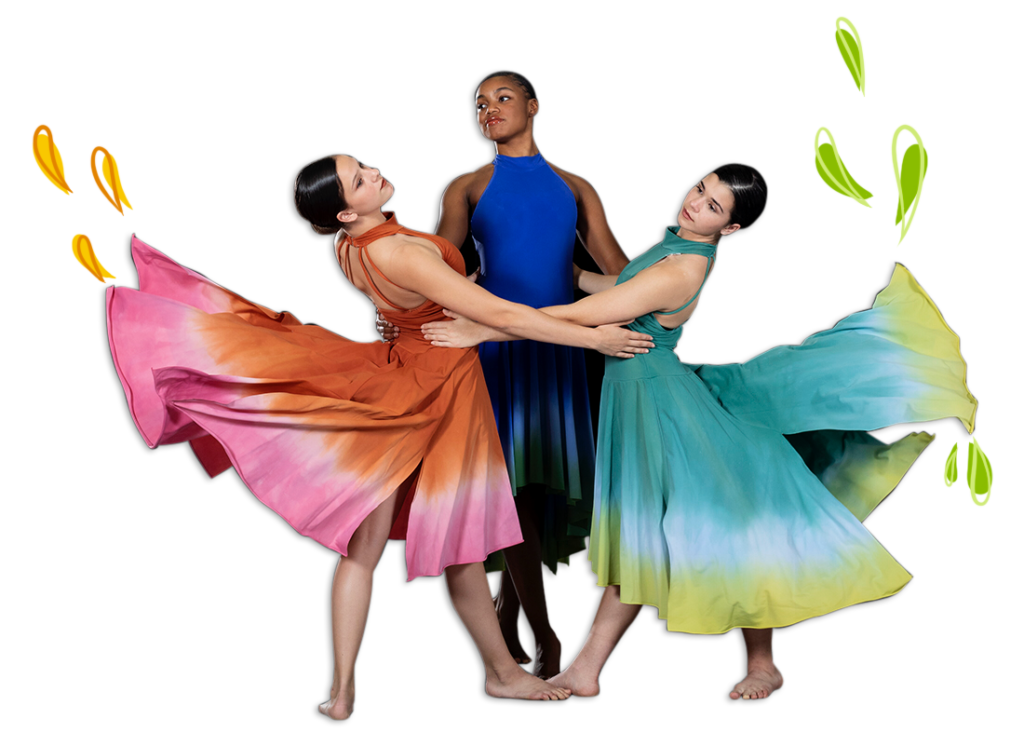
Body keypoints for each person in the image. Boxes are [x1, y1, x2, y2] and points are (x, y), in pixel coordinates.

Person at [105, 153, 654, 719]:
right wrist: (592, 338)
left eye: (361, 165)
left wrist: (415, 315)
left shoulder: (350, 246)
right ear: (345, 211)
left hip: (401, 370)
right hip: (438, 387)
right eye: (359, 179)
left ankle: (343, 693)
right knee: (459, 544)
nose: (372, 172)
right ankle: (501, 675)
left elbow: (417, 303)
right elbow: (502, 315)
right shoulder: (399, 251)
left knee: (366, 551)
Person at [423, 164, 978, 700]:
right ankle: (639, 667)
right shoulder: (675, 246)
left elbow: (588, 315)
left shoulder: (683, 268)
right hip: (643, 394)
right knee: (699, 521)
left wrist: (484, 327)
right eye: (699, 187)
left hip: (658, 406)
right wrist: (561, 271)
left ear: (729, 228)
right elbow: (616, 285)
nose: (695, 202)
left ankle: (606, 668)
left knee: (673, 528)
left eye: (712, 205)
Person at [380, 71, 629, 678]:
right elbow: (435, 272)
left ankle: (509, 609)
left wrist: (686, 268)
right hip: (492, 351)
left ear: (533, 107)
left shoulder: (574, 188)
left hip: (557, 352)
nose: (489, 110)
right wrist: (396, 315)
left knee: (540, 492)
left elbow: (620, 275)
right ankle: (545, 634)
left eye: (502, 99)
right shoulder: (467, 186)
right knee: (512, 491)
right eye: (479, 104)